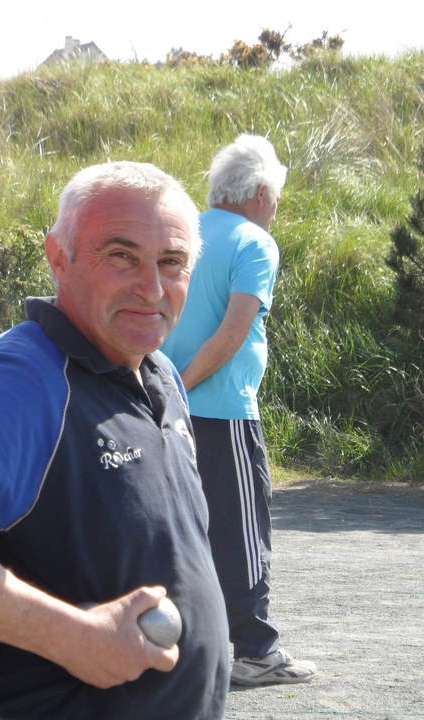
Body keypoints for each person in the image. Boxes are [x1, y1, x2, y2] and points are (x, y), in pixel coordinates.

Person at [0, 161, 230, 719]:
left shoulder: (159, 375)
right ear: (60, 257)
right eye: (121, 255)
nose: (151, 287)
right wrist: (75, 638)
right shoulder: (25, 379)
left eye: (171, 263)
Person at [160, 134, 317, 686]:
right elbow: (232, 334)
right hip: (222, 409)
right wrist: (182, 385)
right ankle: (253, 650)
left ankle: (185, 646)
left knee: (183, 527)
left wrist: (162, 389)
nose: (275, 208)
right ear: (258, 192)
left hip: (163, 406)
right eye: (275, 197)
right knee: (243, 527)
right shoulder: (255, 242)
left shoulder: (186, 231)